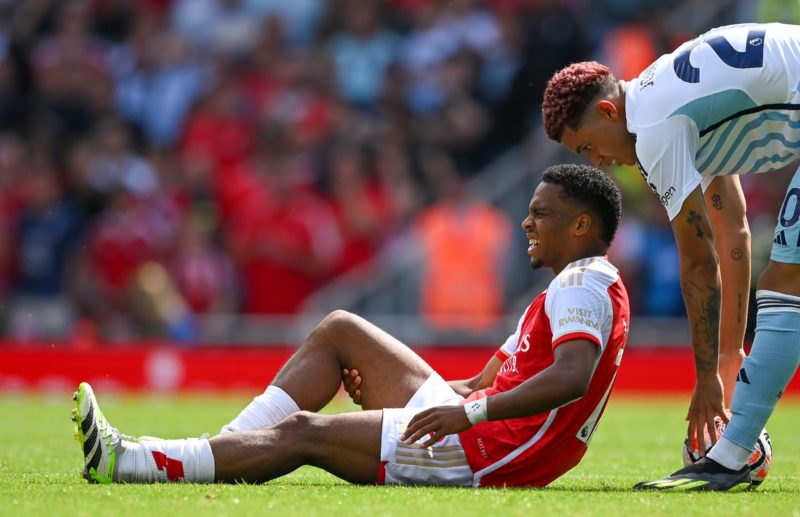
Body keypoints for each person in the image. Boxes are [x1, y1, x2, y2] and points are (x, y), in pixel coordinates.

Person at [71, 164, 630, 488]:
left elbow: (570, 377)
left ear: (582, 224)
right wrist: (438, 404)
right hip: (482, 431)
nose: (527, 221)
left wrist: (467, 413)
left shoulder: (584, 282)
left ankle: (133, 462)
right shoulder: (570, 286)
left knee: (303, 433)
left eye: (542, 212)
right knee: (342, 329)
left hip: (485, 451)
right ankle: (222, 449)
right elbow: (477, 386)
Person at [542, 22, 800, 491]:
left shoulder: (654, 129)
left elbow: (699, 263)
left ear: (606, 110)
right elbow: (732, 227)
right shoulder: (663, 91)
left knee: (787, 280)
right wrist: (727, 354)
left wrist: (706, 383)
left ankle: (732, 454)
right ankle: (734, 451)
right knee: (787, 274)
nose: (597, 162)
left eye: (588, 147)